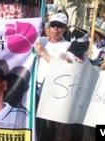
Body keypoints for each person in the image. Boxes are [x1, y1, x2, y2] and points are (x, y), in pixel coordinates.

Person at [34, 12, 72, 141]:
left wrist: (43, 53)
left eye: (60, 26)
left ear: (65, 29)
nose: (56, 28)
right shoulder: (41, 41)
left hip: (51, 90)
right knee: (33, 123)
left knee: (46, 126)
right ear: (48, 28)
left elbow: (62, 67)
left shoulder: (68, 46)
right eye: (54, 25)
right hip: (34, 86)